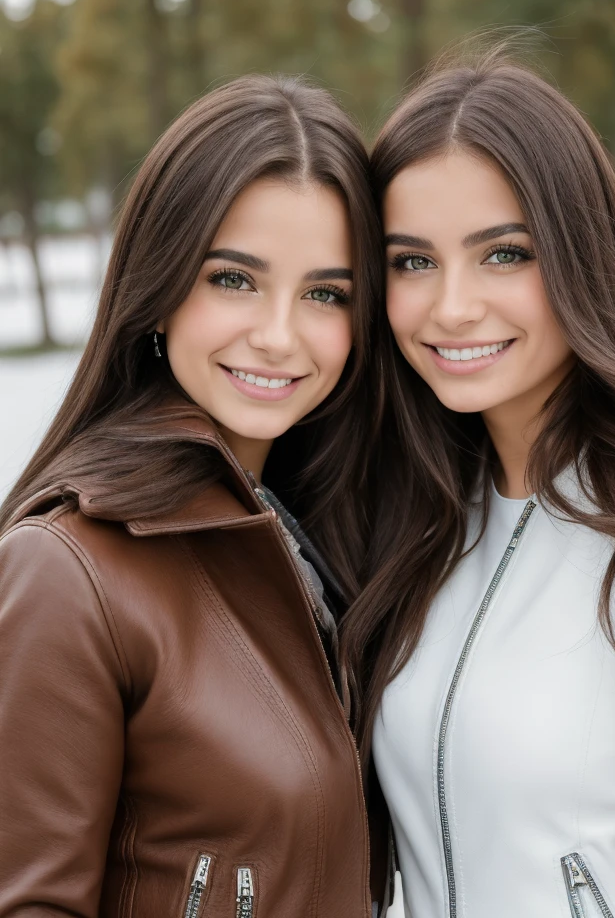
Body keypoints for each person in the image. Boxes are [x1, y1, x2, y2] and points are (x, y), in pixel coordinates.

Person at [0, 75, 386, 917]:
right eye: (233, 279)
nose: (279, 334)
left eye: (325, 293)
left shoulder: (315, 540)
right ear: (160, 283)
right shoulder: (67, 570)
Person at [340, 50, 615, 918]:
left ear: (579, 253)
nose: (452, 307)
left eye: (504, 254)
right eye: (413, 263)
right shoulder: (401, 522)